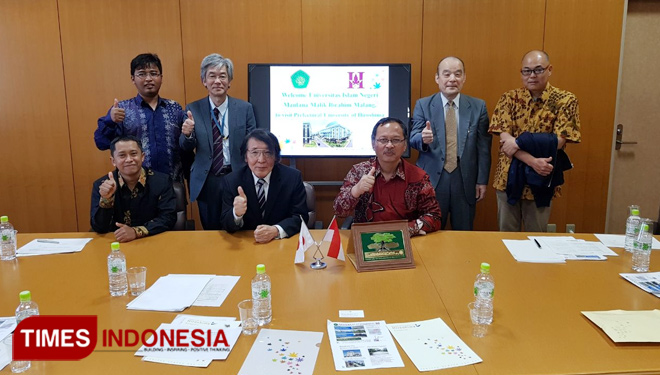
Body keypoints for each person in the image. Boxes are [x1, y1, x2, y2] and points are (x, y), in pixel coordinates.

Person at [489, 50, 581, 232]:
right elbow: (505, 142)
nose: (532, 76)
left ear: (550, 69)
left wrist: (518, 143)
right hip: (508, 179)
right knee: (505, 240)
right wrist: (532, 161)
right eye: (526, 71)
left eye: (538, 70)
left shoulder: (565, 100)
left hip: (542, 179)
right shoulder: (509, 98)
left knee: (537, 240)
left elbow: (558, 141)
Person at [411, 56, 492, 230]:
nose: (452, 79)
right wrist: (422, 139)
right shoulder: (424, 105)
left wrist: (482, 181)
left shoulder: (478, 107)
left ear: (464, 78)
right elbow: (413, 138)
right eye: (446, 74)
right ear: (437, 78)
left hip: (465, 181)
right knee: (430, 234)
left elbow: (484, 148)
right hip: (432, 180)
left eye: (457, 74)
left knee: (464, 234)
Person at [180, 54, 257, 230]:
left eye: (222, 76)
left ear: (229, 81)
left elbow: (253, 144)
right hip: (208, 179)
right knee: (211, 228)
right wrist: (187, 134)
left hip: (236, 175)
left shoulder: (245, 108)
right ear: (204, 81)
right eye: (212, 76)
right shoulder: (193, 109)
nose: (217, 81)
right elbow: (185, 147)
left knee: (239, 225)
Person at [334, 117, 442, 236]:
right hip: (366, 240)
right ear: (373, 143)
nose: (389, 145)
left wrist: (409, 229)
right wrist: (356, 190)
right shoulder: (359, 172)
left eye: (396, 140)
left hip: (405, 241)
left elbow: (434, 216)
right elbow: (339, 211)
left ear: (405, 145)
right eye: (383, 140)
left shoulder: (418, 177)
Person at [95, 53, 193, 182]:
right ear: (132, 79)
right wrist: (110, 121)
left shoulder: (175, 108)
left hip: (172, 184)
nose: (148, 79)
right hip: (136, 186)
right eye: (142, 74)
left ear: (161, 78)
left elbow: (187, 148)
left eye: (153, 73)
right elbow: (101, 143)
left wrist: (188, 135)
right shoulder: (122, 110)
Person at [220, 129, 307, 243]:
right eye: (254, 153)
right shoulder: (232, 181)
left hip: (281, 243)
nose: (261, 160)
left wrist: (276, 230)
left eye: (268, 153)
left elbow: (300, 217)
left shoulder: (292, 178)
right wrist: (236, 214)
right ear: (246, 156)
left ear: (276, 156)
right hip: (246, 244)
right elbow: (225, 224)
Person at [91, 136, 176, 242]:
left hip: (153, 241)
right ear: (113, 161)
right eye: (122, 155)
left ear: (142, 156)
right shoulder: (102, 185)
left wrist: (136, 232)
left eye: (133, 154)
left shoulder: (162, 181)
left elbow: (168, 218)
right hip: (117, 244)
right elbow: (99, 227)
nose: (129, 159)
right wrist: (106, 199)